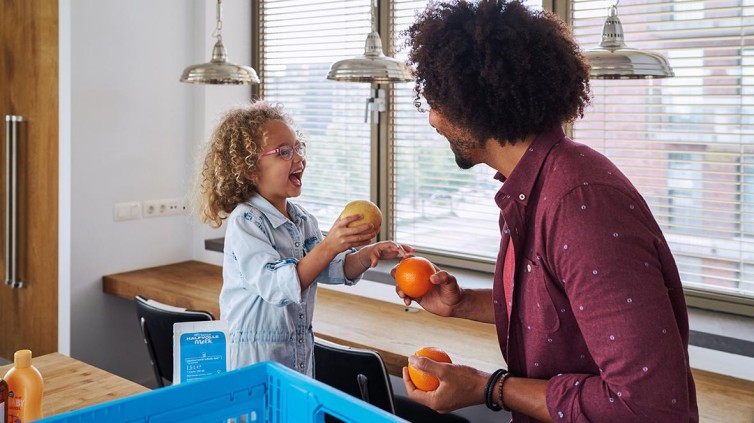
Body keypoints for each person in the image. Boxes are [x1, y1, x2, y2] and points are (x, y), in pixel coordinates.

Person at [396, 1, 699, 422]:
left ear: (470, 104)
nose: (431, 120)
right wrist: (462, 303)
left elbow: (646, 408)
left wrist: (491, 388)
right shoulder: (533, 187)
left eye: (434, 101)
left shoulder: (581, 204)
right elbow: (557, 311)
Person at [196, 101, 412, 376]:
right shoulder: (246, 222)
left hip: (297, 353)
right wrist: (330, 244)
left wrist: (366, 254)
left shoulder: (302, 219)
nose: (298, 158)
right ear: (250, 169)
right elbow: (277, 286)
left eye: (298, 147)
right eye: (284, 152)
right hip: (253, 362)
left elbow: (331, 268)